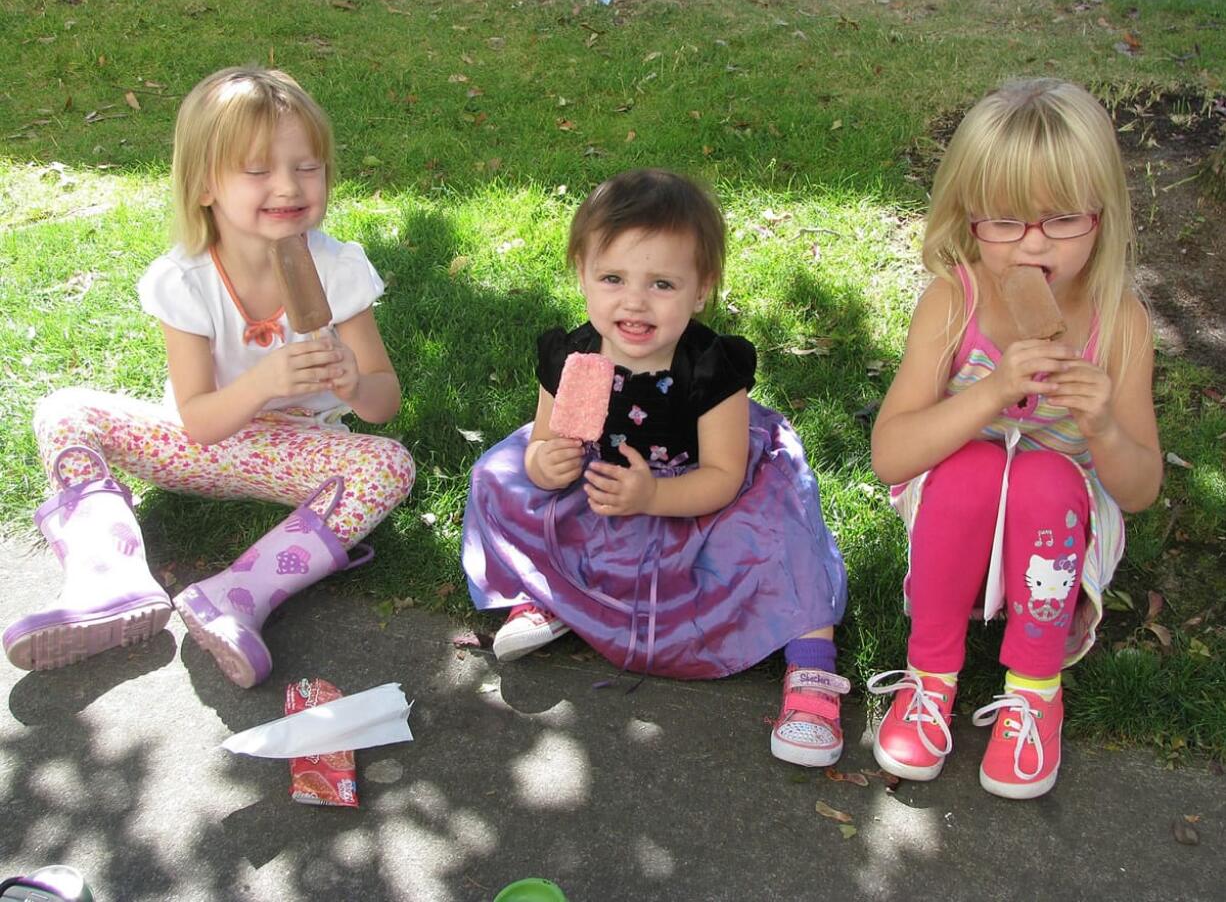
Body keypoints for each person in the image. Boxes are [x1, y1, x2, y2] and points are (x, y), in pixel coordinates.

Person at [2, 67, 414, 687]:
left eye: (308, 166)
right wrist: (267, 379)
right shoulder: (186, 279)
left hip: (299, 456)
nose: (288, 185)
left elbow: (385, 404)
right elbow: (198, 420)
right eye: (258, 170)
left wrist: (355, 381)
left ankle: (237, 596)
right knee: (64, 409)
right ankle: (107, 577)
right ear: (203, 186)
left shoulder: (338, 270)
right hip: (196, 446)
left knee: (389, 464)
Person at [462, 169, 849, 767]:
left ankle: (812, 670)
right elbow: (542, 445)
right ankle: (548, 595)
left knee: (782, 533)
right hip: (601, 481)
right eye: (612, 278)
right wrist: (548, 464)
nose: (634, 302)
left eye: (662, 284)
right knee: (495, 475)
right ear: (582, 278)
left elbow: (722, 476)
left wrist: (651, 498)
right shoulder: (573, 357)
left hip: (696, 488)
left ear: (700, 290)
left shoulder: (710, 370)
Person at [868, 79, 1161, 799]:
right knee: (970, 463)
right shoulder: (953, 302)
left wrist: (1102, 426)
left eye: (1061, 219)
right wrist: (995, 392)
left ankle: (1034, 687)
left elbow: (1141, 488)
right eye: (1005, 221)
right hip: (953, 518)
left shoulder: (1120, 323)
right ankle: (929, 676)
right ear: (970, 221)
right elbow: (890, 457)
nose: (1033, 243)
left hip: (1057, 535)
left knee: (1044, 474)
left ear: (1103, 215)